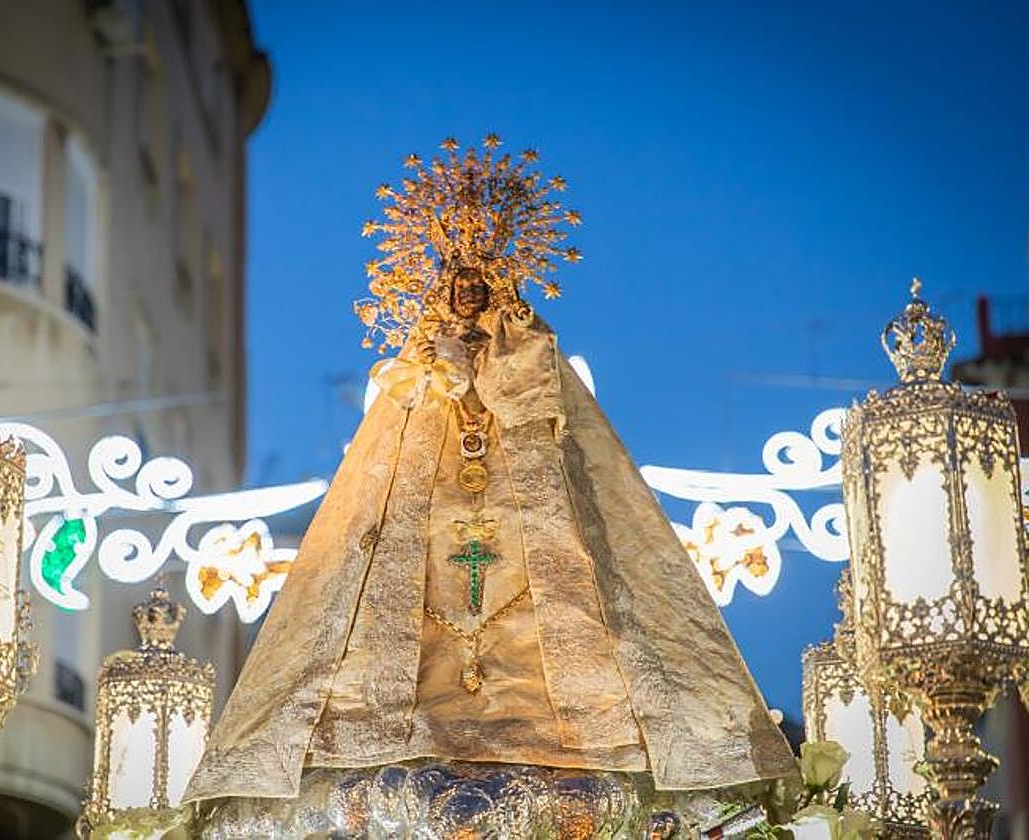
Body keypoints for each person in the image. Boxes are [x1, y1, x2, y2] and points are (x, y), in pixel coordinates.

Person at [185, 138, 794, 804]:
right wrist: (434, 378)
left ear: (502, 276)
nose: (470, 285)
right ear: (442, 278)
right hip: (429, 511)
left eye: (482, 273)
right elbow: (393, 442)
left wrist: (496, 374)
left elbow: (541, 416)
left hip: (521, 508)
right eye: (458, 272)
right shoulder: (417, 368)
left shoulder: (530, 349)